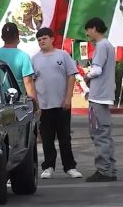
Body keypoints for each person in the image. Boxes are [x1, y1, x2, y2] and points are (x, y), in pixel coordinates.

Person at [32, 28, 82, 179]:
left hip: (62, 105)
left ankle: (70, 167)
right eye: (39, 39)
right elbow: (31, 82)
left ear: (52, 39)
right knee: (47, 139)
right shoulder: (34, 59)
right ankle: (48, 166)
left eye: (44, 38)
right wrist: (36, 104)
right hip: (44, 107)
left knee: (64, 137)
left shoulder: (63, 55)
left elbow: (71, 76)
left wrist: (68, 98)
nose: (42, 41)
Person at [84, 17, 117, 182]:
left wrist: (86, 76)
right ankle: (110, 168)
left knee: (99, 133)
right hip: (105, 95)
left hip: (98, 96)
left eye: (88, 30)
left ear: (94, 28)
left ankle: (104, 170)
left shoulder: (102, 45)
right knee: (104, 132)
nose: (88, 33)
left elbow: (96, 70)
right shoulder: (108, 45)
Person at [0, 23, 37, 101]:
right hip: (16, 101)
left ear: (2, 37)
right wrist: (35, 103)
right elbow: (28, 82)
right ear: (18, 36)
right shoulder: (23, 56)